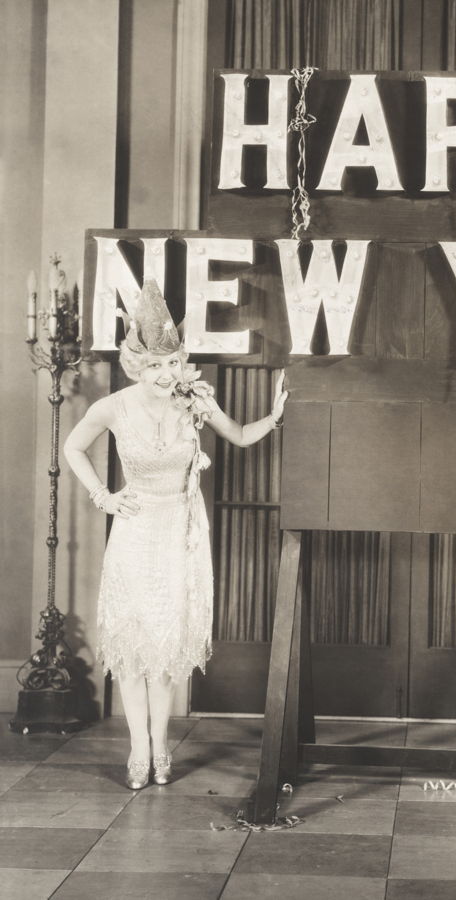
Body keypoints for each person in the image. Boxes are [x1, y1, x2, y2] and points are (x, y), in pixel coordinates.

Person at [63, 279, 288, 790]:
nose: (165, 374)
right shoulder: (113, 407)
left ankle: (160, 743)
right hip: (134, 530)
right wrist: (103, 496)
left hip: (180, 533)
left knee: (164, 650)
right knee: (132, 647)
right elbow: (74, 448)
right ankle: (138, 749)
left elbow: (240, 435)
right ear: (136, 366)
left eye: (171, 363)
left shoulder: (194, 400)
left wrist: (274, 418)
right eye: (154, 366)